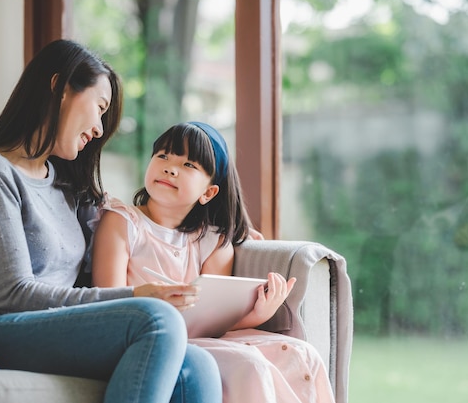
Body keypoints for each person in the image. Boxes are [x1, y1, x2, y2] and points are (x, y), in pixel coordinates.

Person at [0, 40, 222, 403]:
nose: (100, 129)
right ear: (59, 87)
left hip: (45, 326)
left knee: (199, 364)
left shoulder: (67, 186)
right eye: (101, 108)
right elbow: (13, 295)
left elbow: (138, 221)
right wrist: (134, 295)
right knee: (155, 319)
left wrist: (224, 229)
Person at [89, 121, 336, 403]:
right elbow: (110, 302)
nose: (170, 167)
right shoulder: (122, 221)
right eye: (163, 156)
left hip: (202, 338)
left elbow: (215, 322)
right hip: (149, 337)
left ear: (208, 193)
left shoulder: (212, 241)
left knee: (303, 354)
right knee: (248, 364)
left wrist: (259, 313)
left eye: (189, 165)